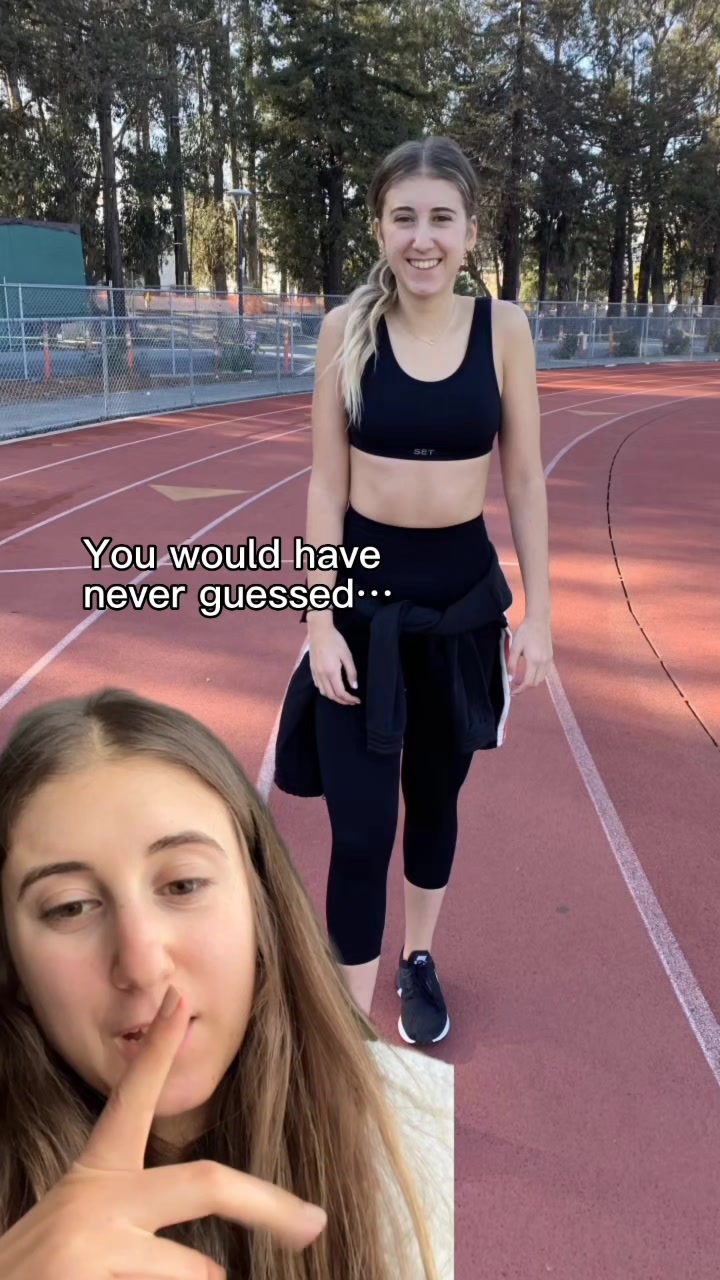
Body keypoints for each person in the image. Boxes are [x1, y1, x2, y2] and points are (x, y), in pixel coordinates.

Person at [0, 687, 451, 1280]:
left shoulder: (416, 1136)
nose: (141, 964)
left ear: (261, 906)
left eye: (183, 885)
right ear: (12, 963)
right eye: (70, 907)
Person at [274, 135, 553, 1045]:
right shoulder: (344, 331)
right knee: (360, 831)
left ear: (470, 230)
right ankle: (349, 1029)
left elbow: (523, 479)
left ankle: (418, 957)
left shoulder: (503, 330)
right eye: (404, 218)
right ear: (380, 228)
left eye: (441, 218)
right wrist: (318, 619)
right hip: (361, 612)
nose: (422, 238)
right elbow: (325, 484)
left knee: (435, 803)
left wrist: (540, 615)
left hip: (460, 612)